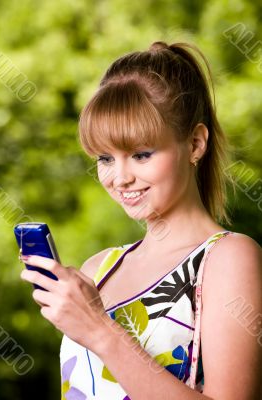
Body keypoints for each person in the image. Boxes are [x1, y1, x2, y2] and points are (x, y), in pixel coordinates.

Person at [20, 41, 262, 400]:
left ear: (195, 144)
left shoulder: (229, 258)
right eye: (105, 158)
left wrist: (101, 331)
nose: (120, 178)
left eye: (141, 154)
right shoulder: (99, 268)